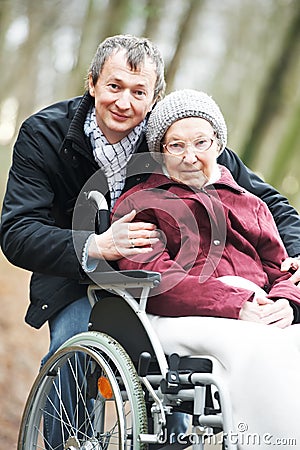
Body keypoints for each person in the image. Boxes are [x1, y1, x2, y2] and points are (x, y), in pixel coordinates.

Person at [0, 33, 299, 446]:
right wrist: (98, 245)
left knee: (172, 385)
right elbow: (18, 231)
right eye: (115, 86)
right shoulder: (44, 135)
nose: (125, 103)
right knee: (70, 359)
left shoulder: (174, 135)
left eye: (139, 92)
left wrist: (295, 255)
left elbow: (264, 202)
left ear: (154, 96)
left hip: (169, 280)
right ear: (92, 83)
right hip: (77, 278)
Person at [112, 89, 300, 449]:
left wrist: (285, 304)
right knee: (259, 348)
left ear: (218, 144)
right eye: (176, 146)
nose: (190, 156)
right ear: (160, 152)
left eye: (201, 142)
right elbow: (155, 279)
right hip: (175, 317)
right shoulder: (142, 205)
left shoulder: (251, 204)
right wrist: (236, 305)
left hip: (257, 310)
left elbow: (281, 268)